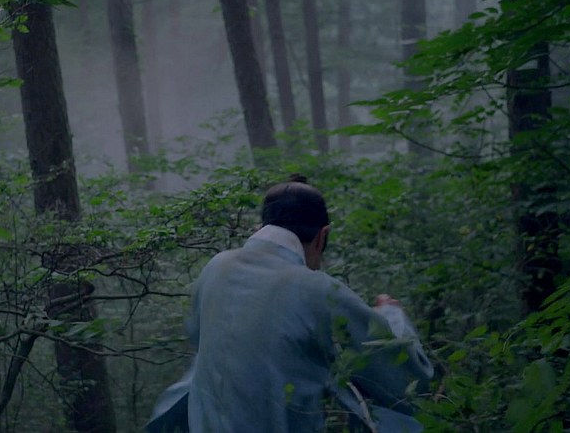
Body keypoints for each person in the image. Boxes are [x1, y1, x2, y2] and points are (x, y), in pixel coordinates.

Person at [147, 176, 434, 433]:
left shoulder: (216, 268)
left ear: (260, 228)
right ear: (322, 236)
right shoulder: (317, 289)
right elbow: (406, 380)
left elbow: (203, 342)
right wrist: (391, 315)